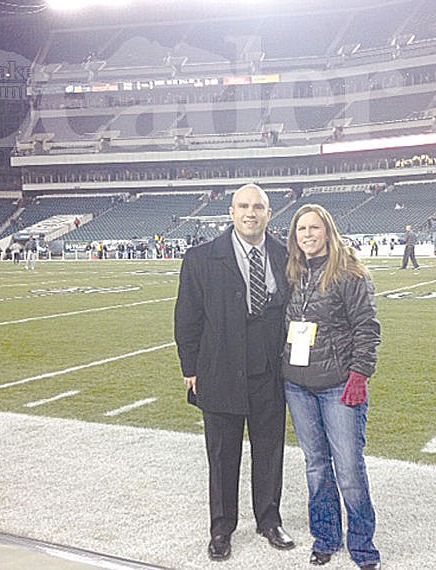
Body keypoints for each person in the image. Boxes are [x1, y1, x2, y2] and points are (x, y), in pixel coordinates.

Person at [174, 183, 294, 562]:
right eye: (243, 206)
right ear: (231, 212)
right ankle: (222, 527)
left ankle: (269, 520)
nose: (250, 213)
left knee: (269, 450)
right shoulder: (201, 258)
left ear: (269, 214)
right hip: (220, 371)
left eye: (258, 206)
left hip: (269, 372)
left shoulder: (285, 255)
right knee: (223, 455)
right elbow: (187, 317)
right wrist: (190, 367)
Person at [281, 204, 382, 570]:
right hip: (297, 385)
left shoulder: (349, 273)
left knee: (350, 469)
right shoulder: (292, 272)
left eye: (314, 228)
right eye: (301, 229)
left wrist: (359, 375)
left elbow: (367, 328)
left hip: (338, 386)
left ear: (328, 232)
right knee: (316, 467)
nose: (307, 234)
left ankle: (363, 546)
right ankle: (325, 537)